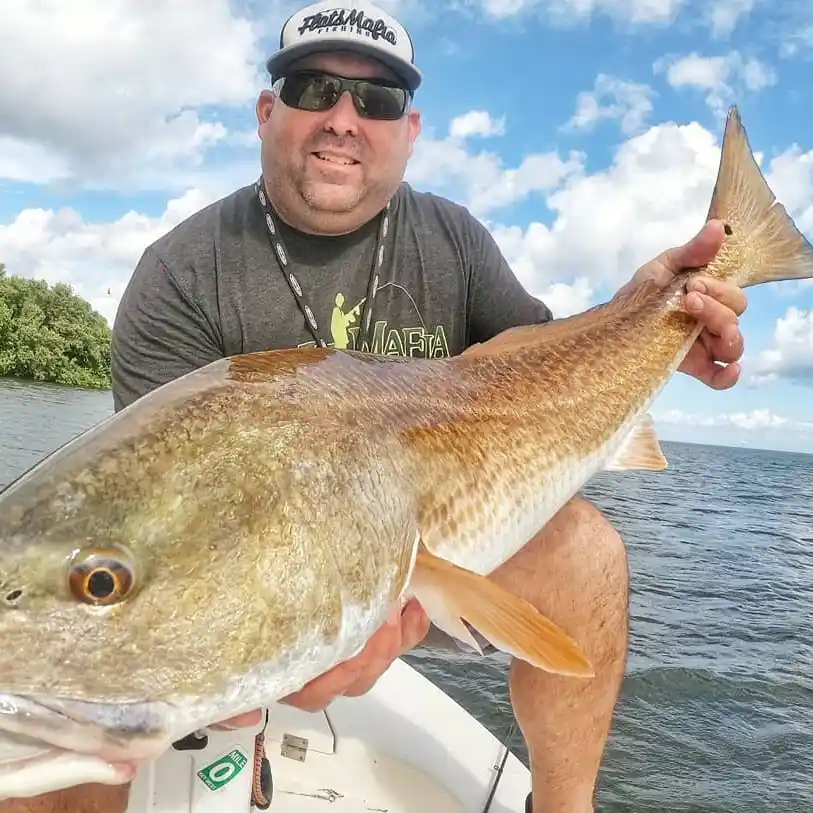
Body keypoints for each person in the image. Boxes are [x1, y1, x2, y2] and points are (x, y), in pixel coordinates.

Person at [3, 2, 748, 812]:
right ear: (266, 111)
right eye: (313, 88)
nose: (343, 119)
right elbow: (158, 513)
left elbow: (545, 361)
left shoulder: (452, 239)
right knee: (67, 727)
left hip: (449, 534)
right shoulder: (182, 273)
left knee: (588, 554)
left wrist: (649, 311)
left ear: (410, 128)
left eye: (377, 99)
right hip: (301, 568)